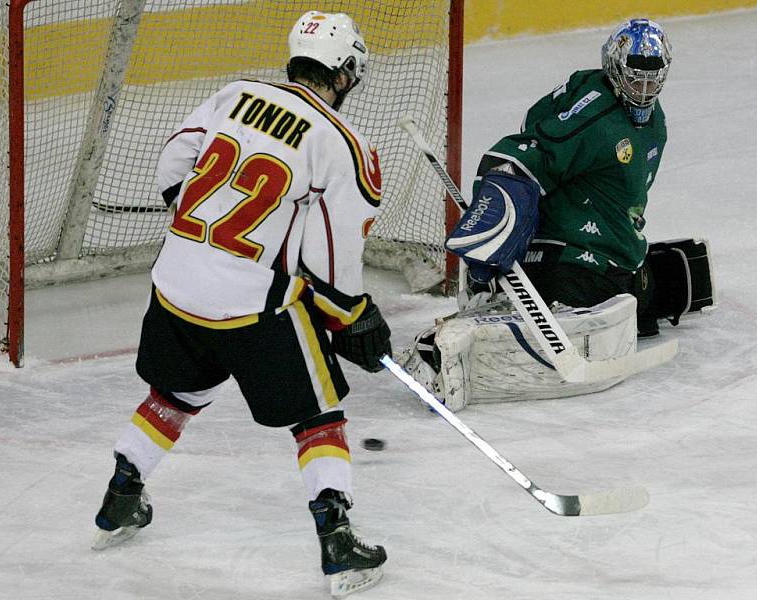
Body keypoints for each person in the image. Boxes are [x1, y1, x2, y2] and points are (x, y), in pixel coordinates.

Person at [92, 11, 390, 597]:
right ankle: (340, 545)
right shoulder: (342, 144)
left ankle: (122, 495)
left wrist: (202, 238)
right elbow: (332, 260)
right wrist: (352, 315)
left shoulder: (235, 94)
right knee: (317, 415)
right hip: (253, 306)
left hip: (174, 283)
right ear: (347, 71)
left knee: (177, 392)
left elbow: (174, 162)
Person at [401, 18, 714, 411]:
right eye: (637, 80)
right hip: (571, 259)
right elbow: (529, 148)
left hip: (606, 250)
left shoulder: (646, 118)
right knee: (612, 300)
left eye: (653, 81)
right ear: (616, 70)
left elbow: (539, 115)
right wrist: (502, 194)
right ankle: (449, 343)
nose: (645, 92)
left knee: (675, 280)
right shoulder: (597, 119)